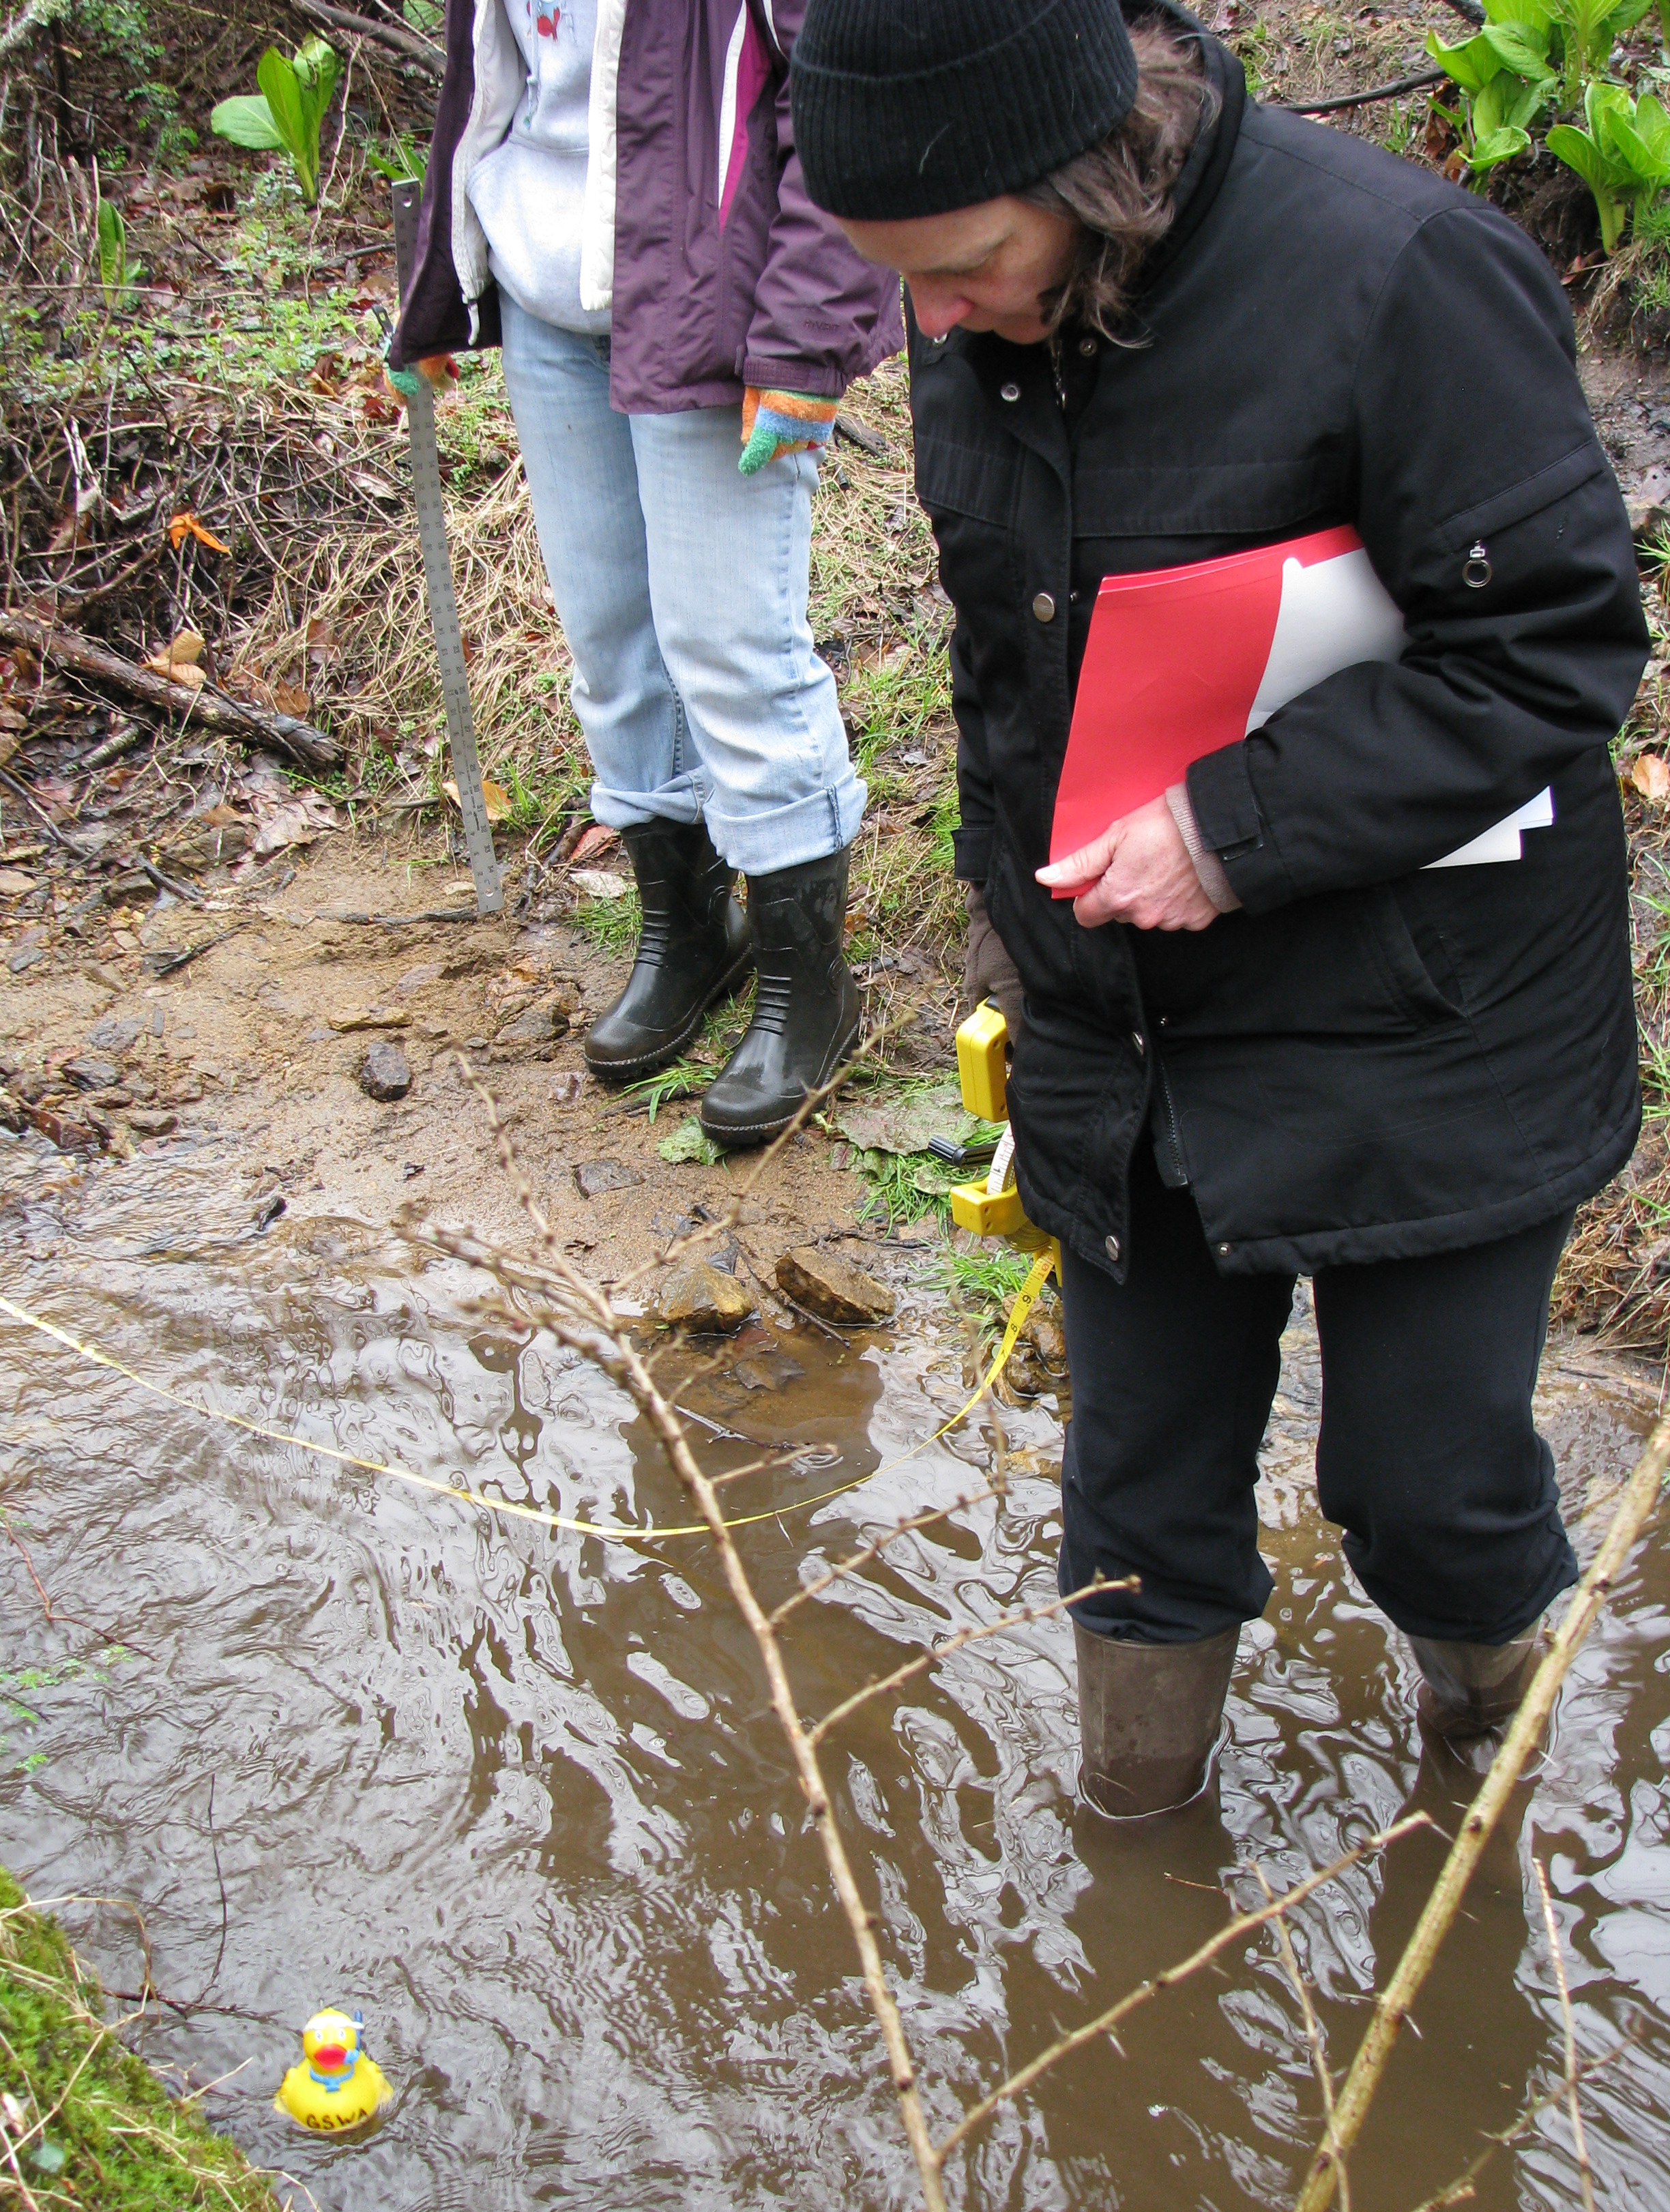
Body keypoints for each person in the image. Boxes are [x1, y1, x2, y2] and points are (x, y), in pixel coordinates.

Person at [789, 0, 1649, 1813]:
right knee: (1135, 1505)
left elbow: (1552, 647)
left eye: (960, 265)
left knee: (1428, 1489)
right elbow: (1007, 676)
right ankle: (1136, 1829)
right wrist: (1019, 946)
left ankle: (1485, 1783)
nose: (926, 321)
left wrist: (1234, 828)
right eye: (894, 280)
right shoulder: (984, 320)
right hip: (1136, 1023)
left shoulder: (1402, 278)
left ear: (1084, 173)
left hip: (1432, 1003)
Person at [391, 0, 903, 1142]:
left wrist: (807, 334)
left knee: (730, 645)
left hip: (716, 299)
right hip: (543, 295)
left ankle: (809, 991)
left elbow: (843, 85)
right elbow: (489, 84)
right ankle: (692, 934)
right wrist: (438, 281)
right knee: (613, 645)